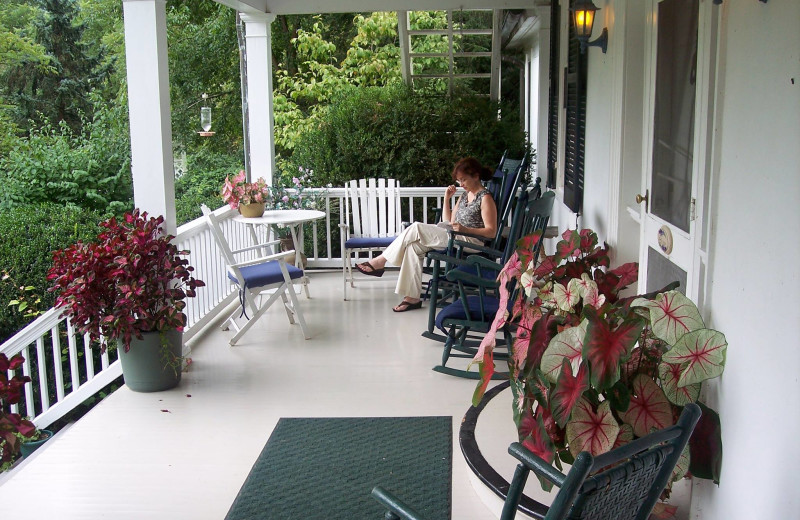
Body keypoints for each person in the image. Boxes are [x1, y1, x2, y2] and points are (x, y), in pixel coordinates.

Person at [356, 157, 498, 312]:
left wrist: (465, 230)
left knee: (416, 227)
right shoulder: (465, 195)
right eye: (459, 181)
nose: (461, 184)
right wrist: (446, 199)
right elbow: (448, 220)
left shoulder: (485, 198)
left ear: (476, 176)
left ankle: (380, 261)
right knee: (413, 247)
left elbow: (491, 232)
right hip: (455, 235)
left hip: (472, 241)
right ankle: (412, 298)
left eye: (463, 180)